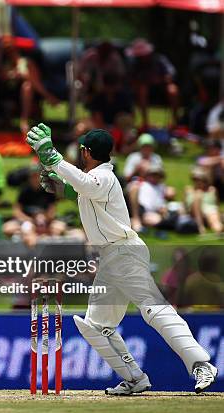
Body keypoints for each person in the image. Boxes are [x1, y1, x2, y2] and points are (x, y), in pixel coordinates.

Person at [30, 124, 217, 394]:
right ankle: (135, 378)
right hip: (111, 257)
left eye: (81, 150)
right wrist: (59, 187)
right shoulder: (95, 181)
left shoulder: (103, 178)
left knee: (153, 309)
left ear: (86, 152)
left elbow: (84, 184)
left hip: (124, 252)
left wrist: (52, 156)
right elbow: (79, 191)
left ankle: (201, 364)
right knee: (95, 326)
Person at [126, 38, 179, 128]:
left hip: (161, 89)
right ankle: (145, 122)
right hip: (144, 91)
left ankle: (175, 121)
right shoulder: (134, 63)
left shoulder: (160, 59)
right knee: (142, 89)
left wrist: (161, 79)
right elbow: (130, 79)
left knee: (173, 90)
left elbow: (171, 73)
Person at [185, 167, 222, 236]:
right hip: (194, 214)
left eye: (199, 179)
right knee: (198, 196)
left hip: (210, 212)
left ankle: (219, 229)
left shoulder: (212, 190)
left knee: (214, 218)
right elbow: (184, 205)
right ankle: (200, 227)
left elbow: (217, 205)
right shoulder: (189, 190)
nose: (197, 182)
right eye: (195, 179)